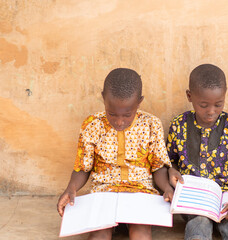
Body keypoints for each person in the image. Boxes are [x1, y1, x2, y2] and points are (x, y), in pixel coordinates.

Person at [57, 68, 174, 240]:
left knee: (141, 232)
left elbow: (158, 167)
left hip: (140, 192)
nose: (119, 121)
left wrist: (167, 189)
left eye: (127, 115)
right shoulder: (92, 125)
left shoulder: (151, 125)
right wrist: (71, 188)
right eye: (112, 114)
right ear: (104, 98)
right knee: (99, 233)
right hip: (104, 191)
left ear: (139, 102)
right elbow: (83, 167)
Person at [167, 64, 228, 240]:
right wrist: (172, 170)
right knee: (198, 222)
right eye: (203, 105)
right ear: (189, 96)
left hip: (227, 196)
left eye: (218, 104)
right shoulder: (179, 125)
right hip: (194, 196)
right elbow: (170, 161)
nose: (211, 111)